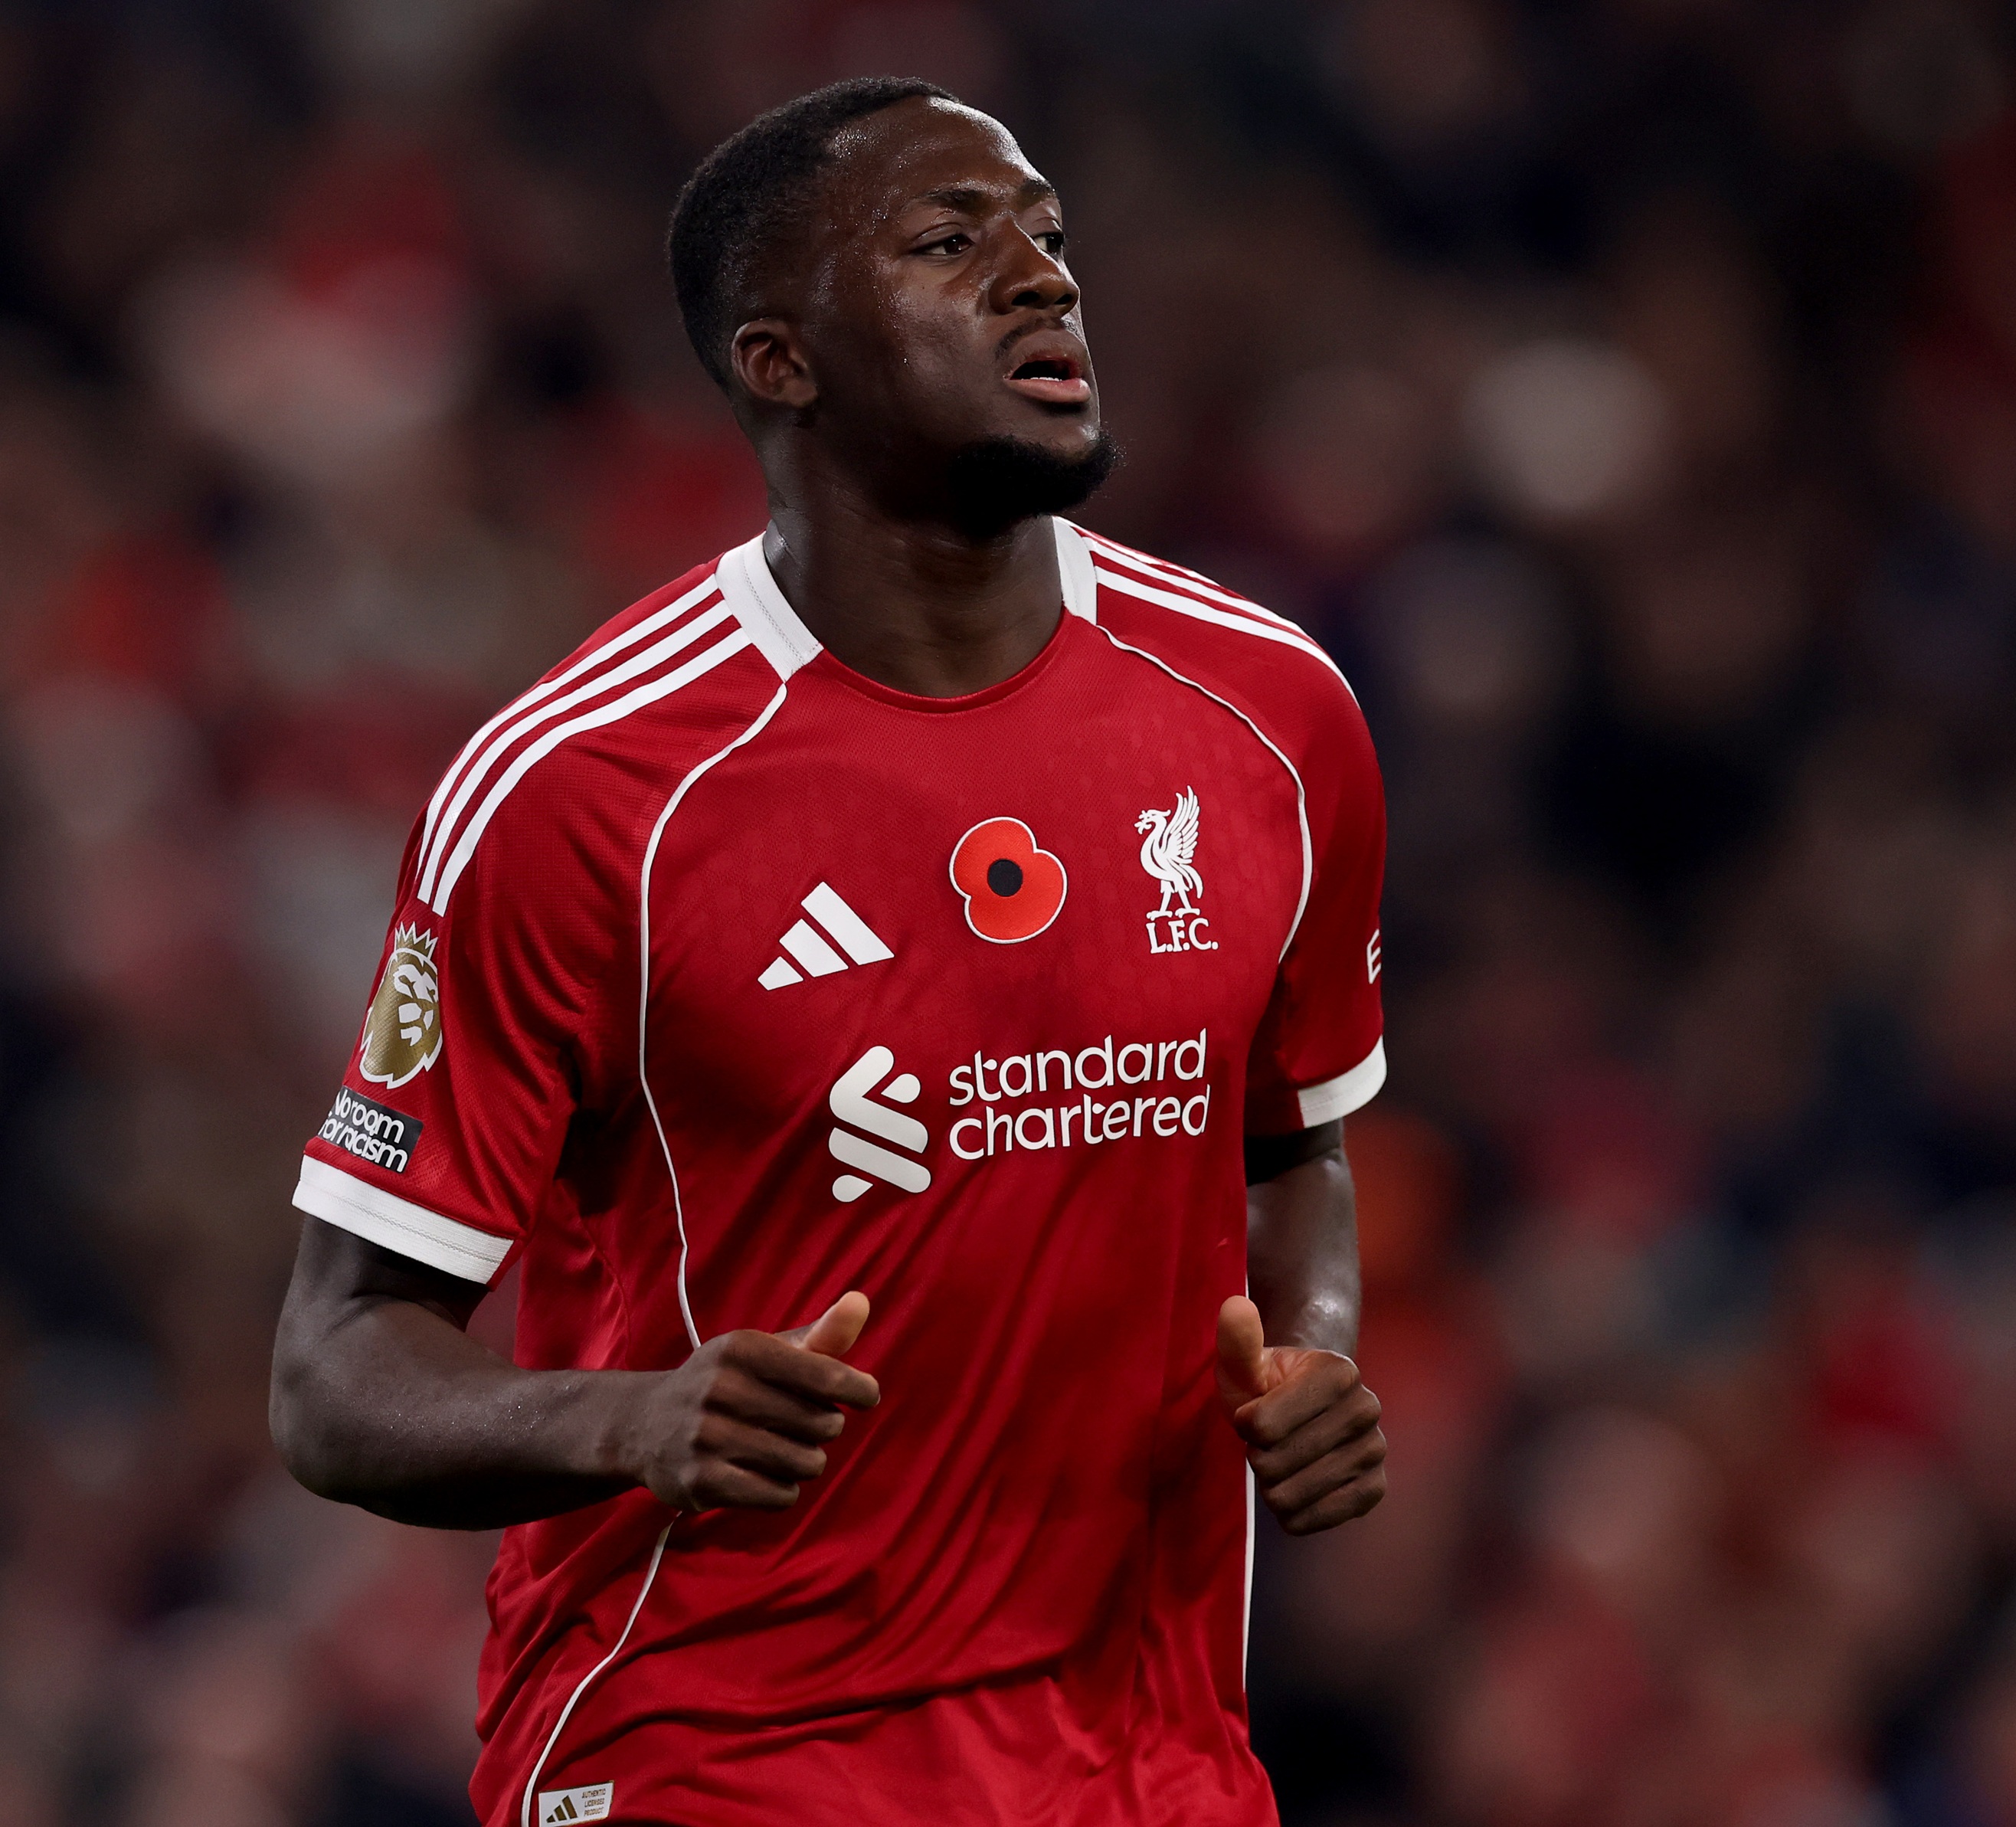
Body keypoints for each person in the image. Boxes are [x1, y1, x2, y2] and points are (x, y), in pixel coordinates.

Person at [267, 76, 1389, 1827]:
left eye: (1047, 235)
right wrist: (630, 1421)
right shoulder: (585, 790)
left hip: (1146, 1754)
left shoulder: (1269, 713)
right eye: (953, 242)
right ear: (778, 361)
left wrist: (1316, 1342)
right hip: (720, 1742)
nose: (1040, 276)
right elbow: (332, 1370)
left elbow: (1291, 1138)